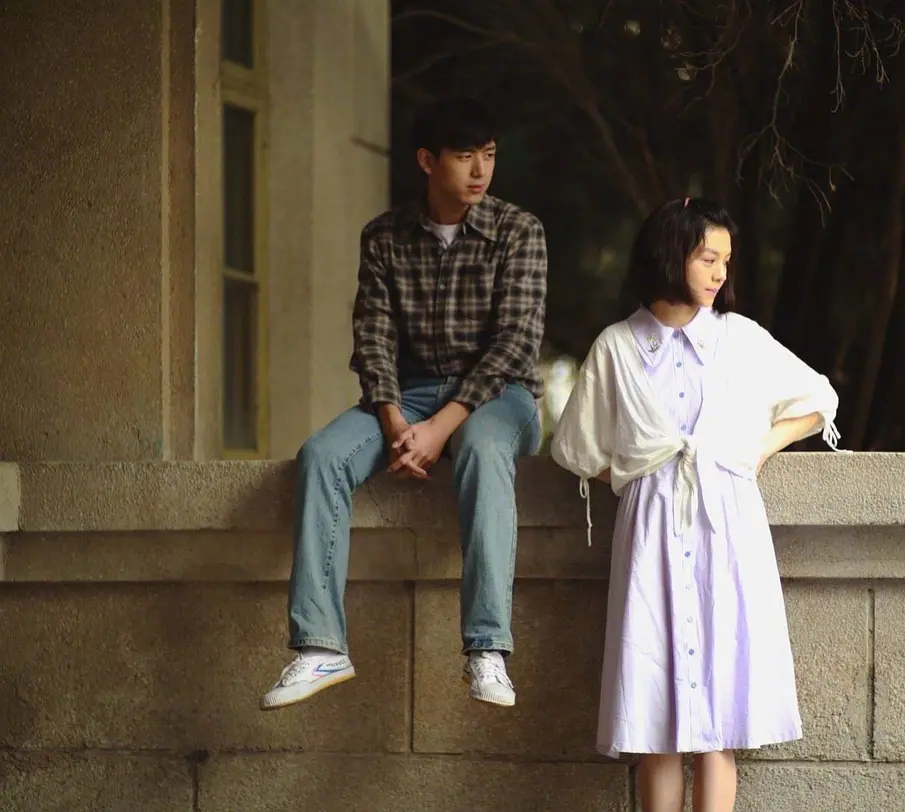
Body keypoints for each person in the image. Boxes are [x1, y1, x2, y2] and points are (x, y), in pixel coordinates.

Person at [550, 198, 841, 812]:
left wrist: (758, 450)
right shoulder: (617, 347)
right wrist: (637, 474)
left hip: (727, 528)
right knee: (656, 722)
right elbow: (575, 446)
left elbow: (818, 397)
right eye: (708, 258)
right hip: (651, 532)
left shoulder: (740, 338)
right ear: (670, 254)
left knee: (719, 719)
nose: (720, 273)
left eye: (725, 261)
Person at [260, 97, 546, 711]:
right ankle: (321, 646)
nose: (480, 170)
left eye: (489, 155)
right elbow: (374, 337)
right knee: (321, 456)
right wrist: (395, 422)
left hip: (501, 396)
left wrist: (440, 429)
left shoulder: (519, 231)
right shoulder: (385, 236)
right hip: (408, 397)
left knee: (483, 449)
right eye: (464, 156)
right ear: (427, 160)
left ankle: (487, 649)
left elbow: (514, 345)